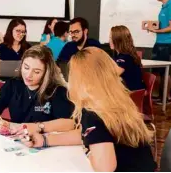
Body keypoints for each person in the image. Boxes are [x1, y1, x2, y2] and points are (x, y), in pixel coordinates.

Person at [21, 47, 156, 171]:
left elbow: (104, 167)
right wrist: (45, 140)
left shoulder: (93, 113)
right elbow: (86, 134)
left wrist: (88, 152)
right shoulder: (116, 101)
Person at [0, 45, 74, 134]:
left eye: (36, 72)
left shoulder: (57, 91)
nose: (28, 75)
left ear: (46, 73)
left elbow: (70, 123)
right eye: (26, 67)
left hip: (47, 143)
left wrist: (38, 127)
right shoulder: (13, 84)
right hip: (18, 141)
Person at [147, 0, 171, 103]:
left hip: (167, 44)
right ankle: (156, 96)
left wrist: (156, 30)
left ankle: (166, 97)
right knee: (156, 71)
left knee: (165, 71)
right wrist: (153, 27)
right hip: (160, 42)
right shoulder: (164, 7)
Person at [110, 25, 145, 91]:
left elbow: (113, 74)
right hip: (132, 90)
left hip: (130, 94)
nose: (109, 41)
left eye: (111, 38)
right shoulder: (126, 55)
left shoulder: (125, 57)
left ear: (118, 40)